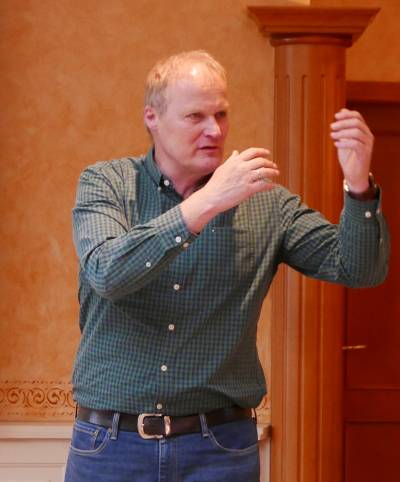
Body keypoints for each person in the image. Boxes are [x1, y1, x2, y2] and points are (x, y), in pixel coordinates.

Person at [65, 50, 389, 482]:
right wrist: (208, 202)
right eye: (195, 116)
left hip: (219, 447)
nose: (214, 130)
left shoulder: (266, 203)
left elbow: (359, 269)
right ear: (152, 118)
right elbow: (106, 272)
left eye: (221, 114)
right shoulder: (106, 183)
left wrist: (359, 185)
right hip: (110, 444)